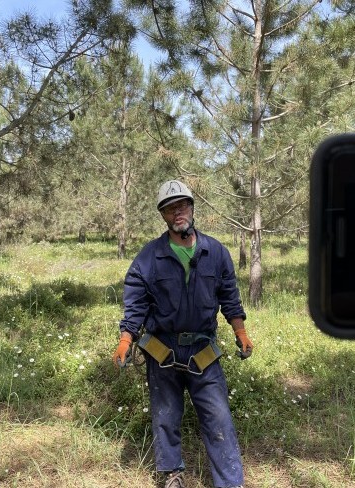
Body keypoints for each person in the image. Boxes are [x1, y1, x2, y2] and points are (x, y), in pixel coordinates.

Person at [112, 179, 253, 488]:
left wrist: (240, 332)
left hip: (204, 352)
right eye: (171, 208)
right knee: (166, 417)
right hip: (162, 352)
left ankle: (230, 483)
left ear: (192, 207)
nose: (178, 213)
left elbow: (230, 297)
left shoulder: (215, 252)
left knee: (219, 419)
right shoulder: (148, 258)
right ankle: (172, 473)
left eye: (183, 205)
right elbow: (135, 302)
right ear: (163, 215)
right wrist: (125, 340)